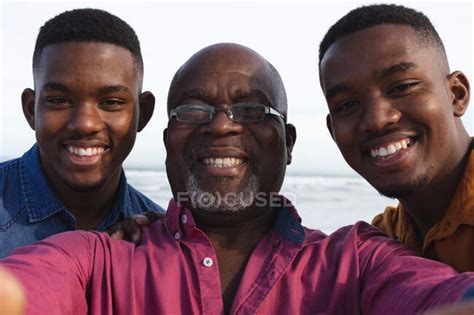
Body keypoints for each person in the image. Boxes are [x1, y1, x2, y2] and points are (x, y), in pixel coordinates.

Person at [2, 43, 474, 314]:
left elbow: (433, 295)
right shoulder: (99, 256)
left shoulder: (357, 260)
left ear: (287, 143)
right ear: (168, 142)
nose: (221, 125)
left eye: (251, 109)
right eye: (193, 109)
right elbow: (25, 286)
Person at [319, 4, 473, 271]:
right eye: (347, 105)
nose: (377, 120)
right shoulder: (378, 247)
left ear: (456, 95)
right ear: (333, 132)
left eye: (401, 87)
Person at [0, 8, 164, 258]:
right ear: (31, 110)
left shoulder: (160, 241)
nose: (85, 124)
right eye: (59, 101)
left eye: (111, 102)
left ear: (143, 113)